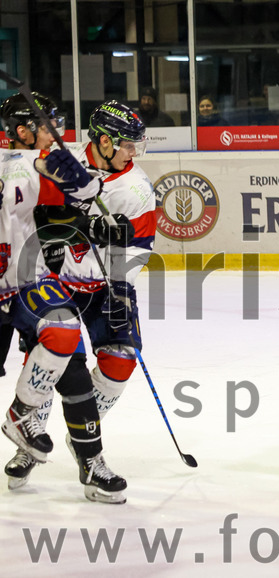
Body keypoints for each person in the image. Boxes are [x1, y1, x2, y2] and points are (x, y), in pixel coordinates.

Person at [3, 101, 149, 499]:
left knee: (120, 361)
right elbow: (38, 217)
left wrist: (118, 271)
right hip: (53, 279)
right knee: (64, 357)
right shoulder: (59, 164)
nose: (133, 153)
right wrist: (84, 224)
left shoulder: (137, 188)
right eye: (127, 145)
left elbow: (142, 245)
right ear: (104, 140)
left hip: (104, 287)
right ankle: (56, 446)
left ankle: (79, 431)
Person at [0, 92, 66, 378]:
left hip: (24, 285)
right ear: (22, 131)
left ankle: (22, 421)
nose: (53, 135)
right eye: (46, 127)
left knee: (63, 344)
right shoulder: (26, 166)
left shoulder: (41, 164)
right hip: (11, 284)